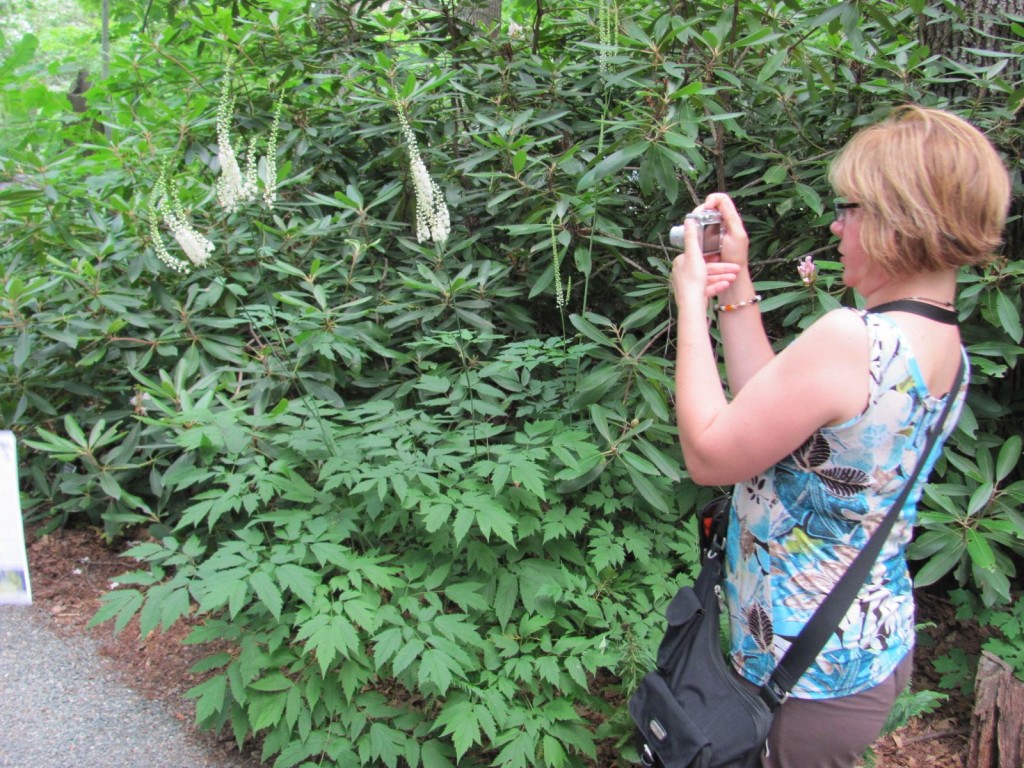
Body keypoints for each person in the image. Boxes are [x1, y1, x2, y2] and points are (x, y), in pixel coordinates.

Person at [669, 105, 1011, 767]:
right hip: (862, 648)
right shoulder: (940, 342)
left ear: (898, 216)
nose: (836, 224)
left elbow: (711, 453)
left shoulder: (854, 338)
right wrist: (736, 284)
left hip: (798, 681)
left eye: (849, 207)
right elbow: (779, 416)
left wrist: (690, 304)